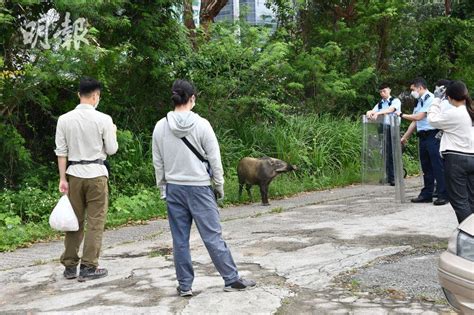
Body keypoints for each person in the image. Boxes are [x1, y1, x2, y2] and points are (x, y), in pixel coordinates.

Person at [152, 79, 256, 297]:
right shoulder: (202, 125)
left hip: (174, 188)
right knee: (212, 236)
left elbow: (158, 162)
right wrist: (219, 186)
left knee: (180, 240)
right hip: (199, 188)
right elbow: (214, 159)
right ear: (192, 98)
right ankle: (231, 278)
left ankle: (185, 286)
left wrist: (163, 188)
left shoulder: (161, 126)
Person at [54, 77, 118, 281]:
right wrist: (113, 133)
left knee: (75, 222)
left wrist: (62, 178)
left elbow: (61, 152)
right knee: (96, 222)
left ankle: (70, 266)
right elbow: (112, 149)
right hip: (97, 174)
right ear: (95, 96)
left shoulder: (64, 119)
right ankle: (89, 266)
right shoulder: (104, 119)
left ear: (78, 95)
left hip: (74, 175)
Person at [428, 80, 474, 223]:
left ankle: (469, 235)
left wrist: (436, 99)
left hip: (456, 159)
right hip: (472, 157)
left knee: (459, 201)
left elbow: (432, 119)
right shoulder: (470, 111)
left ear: (449, 97)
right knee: (471, 198)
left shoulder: (455, 113)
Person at [397, 77, 449, 205]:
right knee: (426, 166)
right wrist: (405, 137)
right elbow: (415, 121)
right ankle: (427, 193)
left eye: (413, 89)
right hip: (423, 137)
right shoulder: (419, 101)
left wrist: (401, 114)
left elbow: (420, 116)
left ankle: (443, 194)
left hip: (433, 135)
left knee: (437, 166)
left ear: (420, 87)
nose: (411, 92)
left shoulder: (430, 98)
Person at [366, 83, 402, 186]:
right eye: (381, 92)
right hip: (383, 129)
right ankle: (388, 175)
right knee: (385, 152)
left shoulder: (395, 101)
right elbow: (373, 111)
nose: (382, 93)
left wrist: (378, 113)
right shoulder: (380, 103)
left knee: (392, 153)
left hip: (393, 128)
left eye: (384, 91)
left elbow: (391, 110)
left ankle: (394, 177)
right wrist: (369, 113)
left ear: (389, 90)